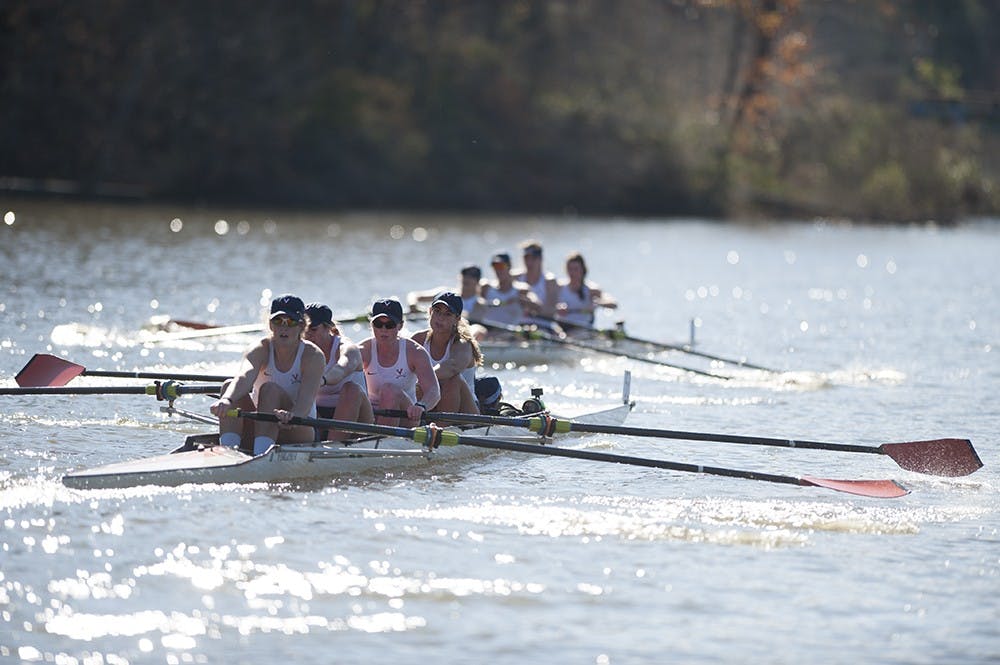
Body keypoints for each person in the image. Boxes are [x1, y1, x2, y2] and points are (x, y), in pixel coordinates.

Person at [210, 294, 325, 455]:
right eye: (278, 321)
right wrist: (226, 399)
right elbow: (244, 376)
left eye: (290, 322)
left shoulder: (312, 356)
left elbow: (306, 400)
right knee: (229, 386)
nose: (284, 328)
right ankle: (227, 453)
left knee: (270, 390)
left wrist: (293, 415)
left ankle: (261, 456)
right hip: (262, 425)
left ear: (301, 326)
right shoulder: (260, 349)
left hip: (298, 429)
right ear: (271, 325)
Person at [359, 298, 441, 426]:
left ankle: (382, 438)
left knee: (389, 390)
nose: (383, 329)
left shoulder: (415, 352)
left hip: (406, 416)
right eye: (378, 324)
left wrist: (421, 406)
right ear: (371, 325)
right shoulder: (363, 350)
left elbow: (433, 391)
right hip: (372, 414)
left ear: (400, 325)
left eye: (390, 325)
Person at [303, 303, 374, 440]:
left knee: (351, 389)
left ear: (328, 327)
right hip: (320, 415)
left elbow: (341, 369)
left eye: (313, 329)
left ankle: (331, 447)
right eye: (304, 329)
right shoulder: (301, 350)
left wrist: (321, 380)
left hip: (358, 416)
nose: (307, 334)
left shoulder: (347, 347)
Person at [409, 292, 482, 414]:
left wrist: (419, 381)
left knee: (453, 380)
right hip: (430, 402)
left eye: (448, 314)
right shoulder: (418, 339)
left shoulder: (462, 344)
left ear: (457, 319)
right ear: (430, 311)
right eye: (437, 311)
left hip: (465, 410)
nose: (440, 318)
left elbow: (451, 368)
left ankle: (442, 427)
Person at [406, 264, 488, 324]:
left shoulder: (480, 304)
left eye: (472, 276)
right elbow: (413, 295)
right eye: (464, 274)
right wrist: (413, 305)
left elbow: (469, 321)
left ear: (478, 281)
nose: (467, 278)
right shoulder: (445, 294)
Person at [555, 251, 618, 330]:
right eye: (570, 269)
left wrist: (598, 303)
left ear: (583, 270)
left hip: (584, 331)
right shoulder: (558, 287)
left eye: (576, 269)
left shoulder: (591, 290)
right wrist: (556, 308)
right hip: (561, 330)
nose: (572, 273)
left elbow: (613, 304)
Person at [480, 252, 541, 329]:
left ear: (509, 266)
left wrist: (521, 300)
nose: (498, 270)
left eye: (500, 266)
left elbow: (538, 307)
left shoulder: (521, 289)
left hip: (511, 336)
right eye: (495, 266)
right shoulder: (486, 288)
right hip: (488, 333)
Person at [510, 240, 560, 325]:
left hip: (542, 326)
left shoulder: (549, 281)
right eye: (526, 258)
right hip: (518, 327)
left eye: (533, 258)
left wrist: (534, 306)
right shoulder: (514, 277)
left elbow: (550, 312)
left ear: (540, 259)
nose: (529, 262)